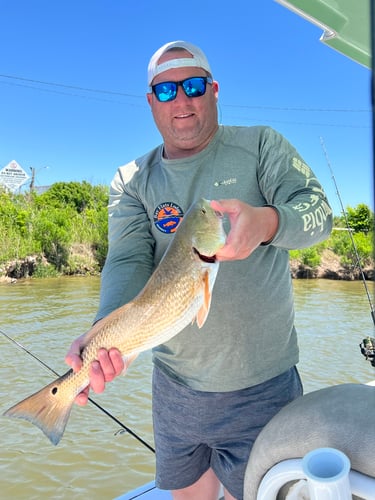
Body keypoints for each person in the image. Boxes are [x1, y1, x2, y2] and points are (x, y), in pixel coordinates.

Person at [65, 41, 333, 500]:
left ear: (213, 90)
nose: (182, 101)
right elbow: (127, 260)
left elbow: (318, 212)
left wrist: (268, 223)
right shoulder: (131, 179)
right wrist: (105, 334)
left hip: (263, 386)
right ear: (150, 101)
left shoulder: (261, 144)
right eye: (166, 90)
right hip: (175, 389)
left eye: (192, 86)